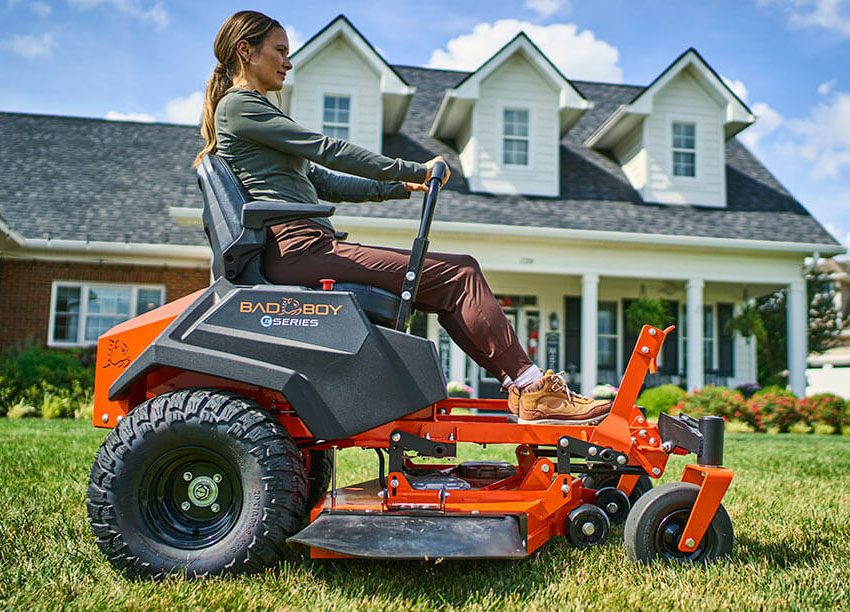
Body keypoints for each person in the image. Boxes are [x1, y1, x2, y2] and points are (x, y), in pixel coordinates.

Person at [194, 10, 612, 425]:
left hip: (304, 246)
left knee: (449, 280)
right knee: (460, 275)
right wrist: (411, 169)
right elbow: (326, 149)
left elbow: (323, 180)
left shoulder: (251, 114)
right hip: (299, 248)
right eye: (280, 51)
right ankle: (532, 387)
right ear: (245, 50)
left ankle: (525, 389)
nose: (288, 61)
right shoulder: (241, 106)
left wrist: (399, 188)